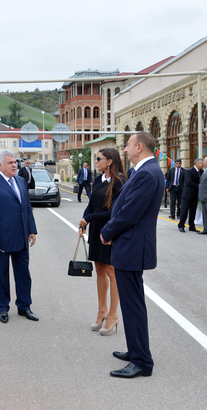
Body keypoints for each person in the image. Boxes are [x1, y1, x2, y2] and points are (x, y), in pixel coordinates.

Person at [100, 132, 164, 379]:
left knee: (133, 305)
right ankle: (137, 350)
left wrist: (107, 231)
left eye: (127, 145)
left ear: (139, 146)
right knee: (132, 303)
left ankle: (141, 362)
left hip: (132, 246)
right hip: (131, 245)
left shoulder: (147, 173)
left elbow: (130, 213)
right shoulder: (145, 171)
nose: (124, 150)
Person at [0, 149, 38, 324]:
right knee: (0, 275)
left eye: (15, 162)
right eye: (10, 163)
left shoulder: (20, 181)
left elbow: (26, 207)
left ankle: (24, 306)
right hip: (0, 240)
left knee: (23, 274)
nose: (15, 165)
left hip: (21, 238)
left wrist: (32, 230)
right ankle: (3, 307)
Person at [78, 148, 125, 336]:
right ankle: (102, 311)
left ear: (110, 161)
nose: (95, 162)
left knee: (111, 271)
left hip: (110, 229)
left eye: (99, 159)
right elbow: (90, 204)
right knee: (99, 268)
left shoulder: (119, 182)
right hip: (96, 228)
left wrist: (89, 218)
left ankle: (113, 314)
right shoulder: (98, 179)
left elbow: (114, 211)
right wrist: (83, 222)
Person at [178, 158, 204, 233]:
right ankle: (181, 225)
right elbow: (189, 182)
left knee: (193, 211)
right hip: (187, 195)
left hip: (195, 195)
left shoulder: (202, 172)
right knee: (184, 210)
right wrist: (199, 186)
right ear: (197, 163)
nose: (203, 165)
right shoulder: (189, 171)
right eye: (202, 163)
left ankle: (192, 226)